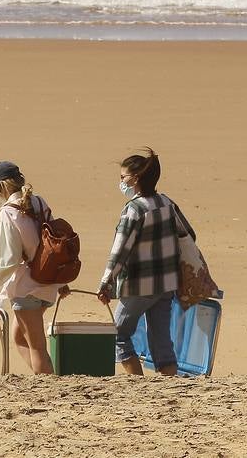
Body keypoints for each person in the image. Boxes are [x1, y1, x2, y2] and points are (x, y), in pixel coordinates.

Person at [96, 147, 193, 376]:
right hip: (167, 284)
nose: (121, 183)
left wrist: (105, 283)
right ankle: (168, 384)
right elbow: (188, 234)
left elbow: (119, 251)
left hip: (139, 285)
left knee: (117, 335)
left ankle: (137, 384)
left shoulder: (134, 210)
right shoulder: (166, 202)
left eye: (123, 178)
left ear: (136, 179)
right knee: (161, 341)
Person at [0, 161, 65, 375]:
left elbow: (9, 260)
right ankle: (48, 379)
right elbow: (55, 244)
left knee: (37, 348)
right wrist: (61, 282)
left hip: (26, 286)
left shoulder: (7, 213)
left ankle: (49, 385)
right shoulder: (39, 202)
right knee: (19, 336)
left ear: (0, 187)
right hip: (48, 281)